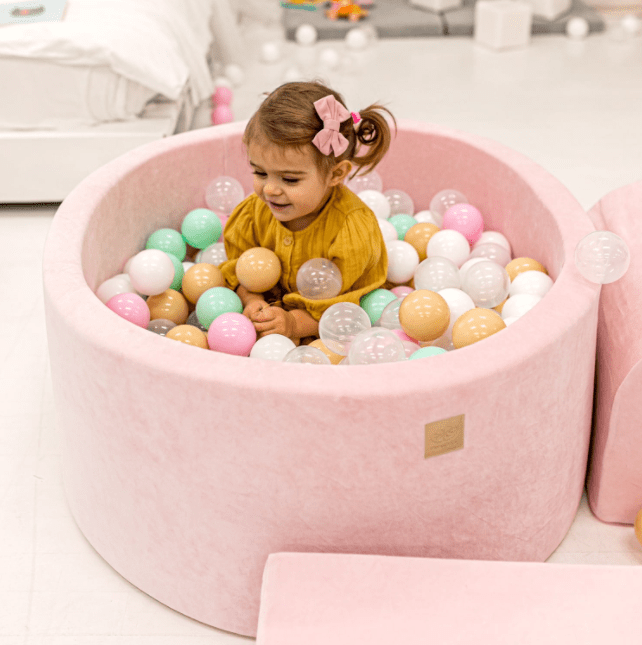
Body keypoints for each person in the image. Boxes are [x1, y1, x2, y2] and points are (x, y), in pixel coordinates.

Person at [218, 79, 397, 345]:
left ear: (336, 174)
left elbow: (348, 306)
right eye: (260, 172)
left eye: (289, 179)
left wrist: (293, 324)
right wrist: (251, 298)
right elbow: (240, 266)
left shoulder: (351, 231)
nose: (270, 190)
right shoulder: (255, 213)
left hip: (328, 335)